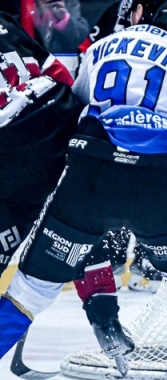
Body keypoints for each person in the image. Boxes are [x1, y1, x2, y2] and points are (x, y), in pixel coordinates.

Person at [0, 0, 167, 380]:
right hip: (157, 187)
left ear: (141, 16)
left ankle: (103, 317)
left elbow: (76, 111)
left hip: (89, 179)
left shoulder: (102, 47)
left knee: (29, 291)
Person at [75, 0, 167, 294]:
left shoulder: (125, 12)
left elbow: (84, 68)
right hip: (160, 145)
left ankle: (126, 264)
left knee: (105, 188)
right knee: (162, 185)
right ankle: (149, 258)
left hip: (108, 142)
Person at [0, 9, 84, 285]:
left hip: (18, 154)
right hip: (69, 132)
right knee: (80, 227)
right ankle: (104, 315)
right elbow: (58, 73)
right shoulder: (5, 21)